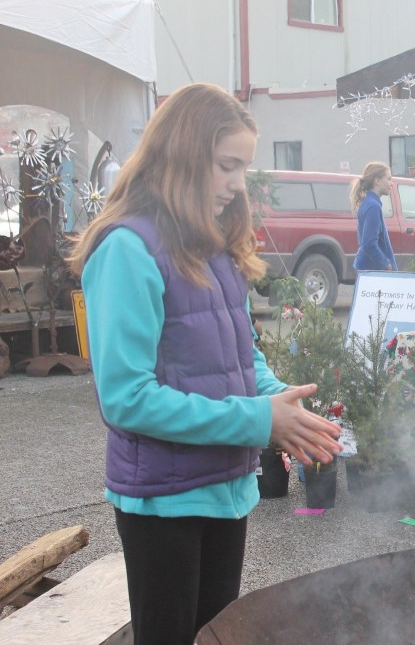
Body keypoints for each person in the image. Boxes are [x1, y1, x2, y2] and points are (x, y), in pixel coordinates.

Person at [69, 83, 341, 645]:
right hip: (162, 502)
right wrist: (258, 420)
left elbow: (243, 356)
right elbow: (126, 399)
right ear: (183, 155)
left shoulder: (213, 247)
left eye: (243, 167)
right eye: (227, 165)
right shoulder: (127, 250)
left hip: (222, 486)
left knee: (216, 636)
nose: (239, 184)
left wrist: (281, 404)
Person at [350, 161, 399, 272]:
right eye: (388, 179)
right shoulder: (373, 206)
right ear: (377, 181)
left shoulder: (368, 202)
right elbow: (369, 244)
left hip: (365, 268)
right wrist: (386, 265)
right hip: (373, 271)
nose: (391, 183)